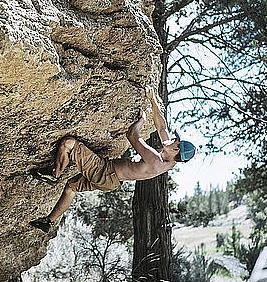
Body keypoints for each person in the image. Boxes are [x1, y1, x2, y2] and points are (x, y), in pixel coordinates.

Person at [29, 87, 196, 233]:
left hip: (105, 172)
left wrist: (141, 121)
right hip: (110, 180)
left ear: (176, 150)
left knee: (69, 144)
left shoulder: (156, 160)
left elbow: (132, 136)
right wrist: (152, 100)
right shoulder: (170, 159)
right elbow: (162, 127)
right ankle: (48, 222)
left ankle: (55, 175)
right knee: (71, 188)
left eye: (176, 141)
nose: (173, 138)